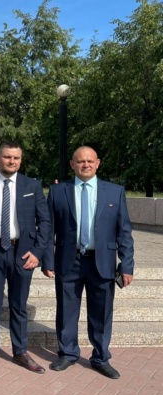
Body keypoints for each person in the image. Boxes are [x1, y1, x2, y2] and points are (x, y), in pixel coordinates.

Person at [43, 146, 135, 379]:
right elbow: (48, 230)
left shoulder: (114, 192)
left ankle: (101, 357)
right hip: (68, 260)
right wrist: (47, 260)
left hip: (102, 262)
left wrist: (126, 264)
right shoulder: (58, 191)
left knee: (101, 312)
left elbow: (124, 231)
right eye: (81, 161)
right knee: (66, 310)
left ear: (98, 163)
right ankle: (68, 353)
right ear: (72, 164)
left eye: (90, 161)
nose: (86, 165)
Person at [0, 141, 50, 373]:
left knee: (19, 306)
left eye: (16, 158)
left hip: (23, 253)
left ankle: (20, 351)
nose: (12, 161)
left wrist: (37, 252)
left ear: (21, 160)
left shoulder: (32, 185)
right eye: (7, 157)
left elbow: (45, 222)